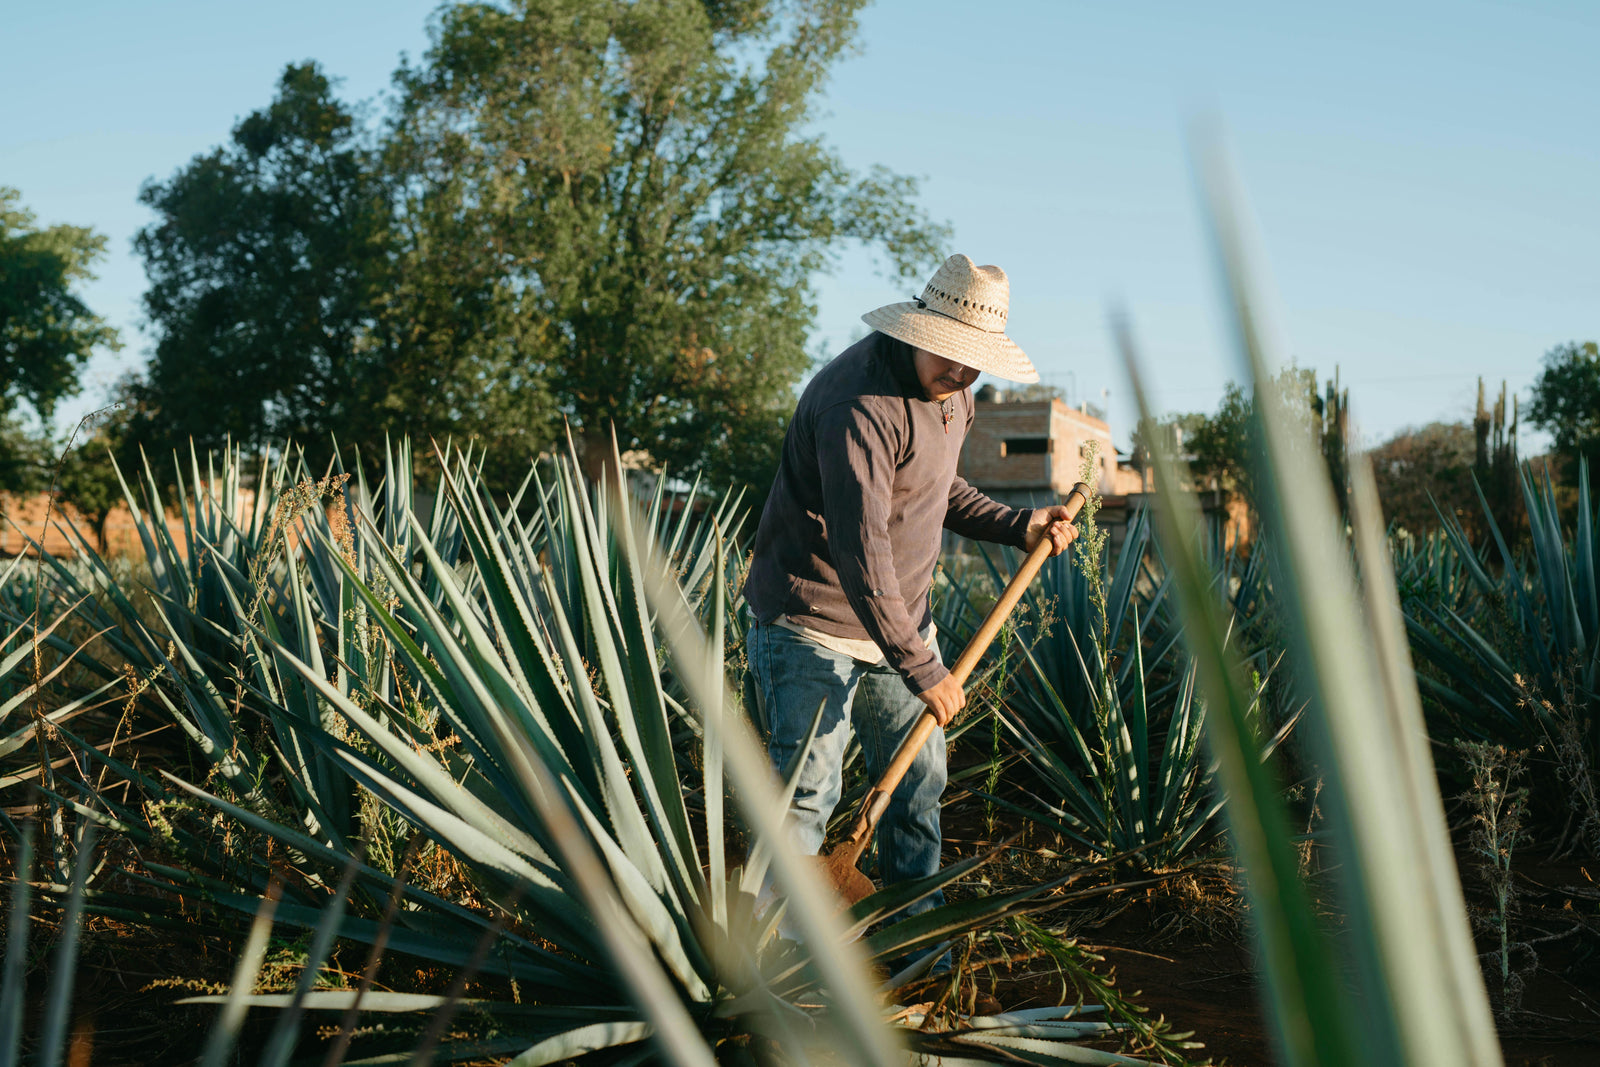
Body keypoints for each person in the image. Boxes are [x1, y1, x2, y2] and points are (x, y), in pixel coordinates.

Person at [743, 253, 1079, 951]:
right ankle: (777, 964)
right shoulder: (857, 405)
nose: (963, 374)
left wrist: (1020, 524)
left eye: (974, 362)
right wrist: (922, 666)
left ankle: (914, 942)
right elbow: (861, 549)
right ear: (919, 329)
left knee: (919, 787)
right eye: (953, 357)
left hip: (898, 626)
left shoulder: (953, 393)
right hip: (813, 624)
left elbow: (936, 488)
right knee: (806, 797)